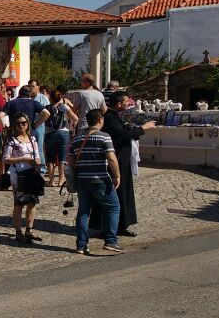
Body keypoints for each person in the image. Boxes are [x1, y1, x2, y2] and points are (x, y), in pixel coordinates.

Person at [90, 92, 155, 237]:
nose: (128, 103)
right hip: (117, 161)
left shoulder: (115, 116)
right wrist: (143, 128)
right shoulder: (110, 118)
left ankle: (121, 225)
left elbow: (124, 132)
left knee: (123, 194)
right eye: (126, 101)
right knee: (113, 194)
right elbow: (121, 136)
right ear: (119, 104)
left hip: (123, 160)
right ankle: (106, 227)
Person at [70, 110, 123, 255]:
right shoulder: (104, 136)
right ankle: (111, 241)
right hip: (100, 179)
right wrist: (117, 176)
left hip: (82, 180)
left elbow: (71, 161)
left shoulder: (76, 138)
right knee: (113, 208)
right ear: (100, 120)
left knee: (83, 212)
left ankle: (81, 245)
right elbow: (111, 158)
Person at [2, 113, 43, 243]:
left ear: (27, 124)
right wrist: (24, 158)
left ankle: (29, 230)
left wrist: (38, 166)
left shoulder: (32, 138)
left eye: (24, 123)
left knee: (32, 202)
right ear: (14, 125)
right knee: (19, 203)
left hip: (32, 173)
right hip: (18, 174)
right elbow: (5, 159)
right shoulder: (12, 140)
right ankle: (18, 232)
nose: (21, 125)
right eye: (18, 123)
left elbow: (37, 155)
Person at [44, 86, 78, 187]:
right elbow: (75, 118)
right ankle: (61, 180)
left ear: (50, 98)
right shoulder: (64, 107)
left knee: (50, 158)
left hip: (50, 133)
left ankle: (51, 181)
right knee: (63, 157)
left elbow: (41, 119)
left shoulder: (47, 108)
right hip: (63, 133)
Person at [28, 80, 51, 174]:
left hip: (39, 125)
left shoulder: (43, 98)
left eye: (33, 86)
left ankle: (42, 168)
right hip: (28, 125)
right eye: (29, 86)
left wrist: (38, 122)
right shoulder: (28, 98)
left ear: (38, 87)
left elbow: (48, 112)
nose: (31, 88)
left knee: (39, 147)